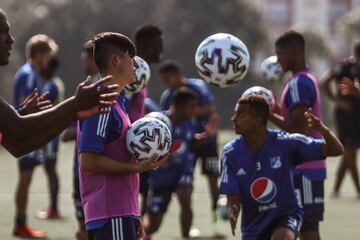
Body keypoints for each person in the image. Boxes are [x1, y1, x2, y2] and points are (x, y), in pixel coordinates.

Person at [78, 32, 167, 240]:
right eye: (131, 59)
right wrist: (137, 168)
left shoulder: (118, 101)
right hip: (111, 213)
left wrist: (134, 213)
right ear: (116, 60)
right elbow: (89, 160)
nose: (135, 66)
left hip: (122, 212)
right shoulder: (103, 101)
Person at [220, 96, 343, 240]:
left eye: (240, 114)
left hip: (286, 216)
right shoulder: (230, 153)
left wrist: (323, 131)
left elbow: (337, 150)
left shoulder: (285, 143)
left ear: (258, 119)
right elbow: (232, 198)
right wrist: (233, 209)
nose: (233, 119)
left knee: (282, 237)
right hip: (253, 225)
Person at [0, 8, 119, 157]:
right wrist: (75, 104)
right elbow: (20, 127)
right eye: (3, 32)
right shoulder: (27, 74)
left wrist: (73, 114)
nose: (11, 39)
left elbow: (16, 147)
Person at [270, 30, 325, 240]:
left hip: (305, 169)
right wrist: (275, 110)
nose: (277, 60)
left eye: (280, 53)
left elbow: (298, 131)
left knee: (308, 229)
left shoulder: (299, 84)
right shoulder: (304, 79)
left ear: (295, 52)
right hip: (303, 168)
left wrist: (268, 114)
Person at [145, 88, 218, 240]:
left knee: (185, 196)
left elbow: (190, 142)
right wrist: (155, 160)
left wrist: (206, 136)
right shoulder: (159, 122)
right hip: (161, 176)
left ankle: (185, 236)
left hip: (182, 170)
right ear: (179, 105)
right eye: (192, 106)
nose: (195, 109)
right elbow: (145, 146)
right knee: (153, 226)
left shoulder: (189, 122)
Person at [159, 60, 221, 234]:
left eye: (167, 78)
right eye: (163, 79)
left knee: (212, 177)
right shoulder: (167, 96)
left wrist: (188, 111)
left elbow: (209, 109)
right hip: (187, 143)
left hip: (208, 141)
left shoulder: (197, 86)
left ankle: (216, 211)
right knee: (186, 181)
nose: (166, 83)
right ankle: (189, 225)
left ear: (177, 75)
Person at [12, 35, 60, 238]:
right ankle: (20, 224)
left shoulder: (30, 73)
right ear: (39, 54)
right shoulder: (28, 74)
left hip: (28, 135)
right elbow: (26, 107)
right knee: (25, 179)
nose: (49, 60)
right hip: (26, 135)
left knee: (27, 178)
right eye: (48, 55)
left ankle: (21, 223)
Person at [321, 40, 360, 197]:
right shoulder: (343, 68)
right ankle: (358, 190)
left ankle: (336, 190)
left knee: (350, 152)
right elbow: (324, 82)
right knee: (349, 152)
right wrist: (337, 101)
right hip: (345, 117)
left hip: (357, 116)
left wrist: (356, 93)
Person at [133, 24, 164, 216]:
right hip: (129, 148)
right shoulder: (133, 72)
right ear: (146, 47)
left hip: (138, 147)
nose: (162, 50)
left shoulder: (141, 72)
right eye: (158, 45)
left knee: (143, 188)